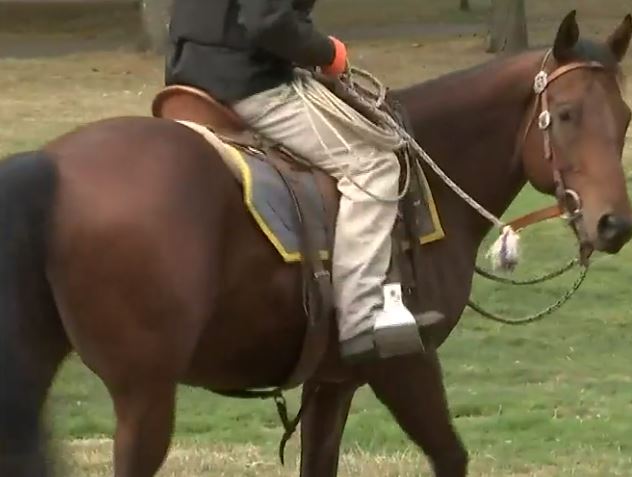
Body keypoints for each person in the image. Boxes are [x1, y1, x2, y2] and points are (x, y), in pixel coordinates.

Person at [164, 0, 444, 363]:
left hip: (187, 83)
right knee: (373, 164)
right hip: (249, 85)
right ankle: (361, 317)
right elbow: (267, 22)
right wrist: (328, 51)